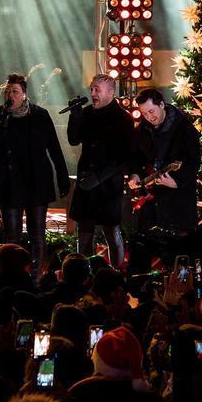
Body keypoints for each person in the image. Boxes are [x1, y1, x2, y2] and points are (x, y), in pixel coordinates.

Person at [0, 73, 70, 272]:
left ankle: (36, 275)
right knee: (12, 234)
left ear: (24, 94)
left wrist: (62, 178)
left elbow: (54, 148)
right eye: (7, 91)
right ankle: (11, 274)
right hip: (10, 182)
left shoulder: (40, 115)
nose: (10, 95)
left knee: (37, 232)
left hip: (36, 180)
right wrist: (2, 125)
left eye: (14, 91)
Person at [67, 74, 134, 267]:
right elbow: (73, 139)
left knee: (111, 231)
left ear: (111, 93)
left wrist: (98, 177)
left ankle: (117, 274)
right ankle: (83, 275)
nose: (92, 93)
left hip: (108, 185)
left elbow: (122, 158)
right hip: (87, 180)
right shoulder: (87, 114)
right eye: (91, 88)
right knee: (84, 232)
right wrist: (75, 117)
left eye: (97, 89)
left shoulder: (123, 119)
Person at [131, 87, 201, 232]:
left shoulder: (184, 128)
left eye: (151, 111)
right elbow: (136, 157)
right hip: (152, 201)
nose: (149, 117)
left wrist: (176, 182)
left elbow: (193, 161)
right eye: (144, 113)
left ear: (161, 105)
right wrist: (135, 174)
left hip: (179, 202)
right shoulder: (142, 130)